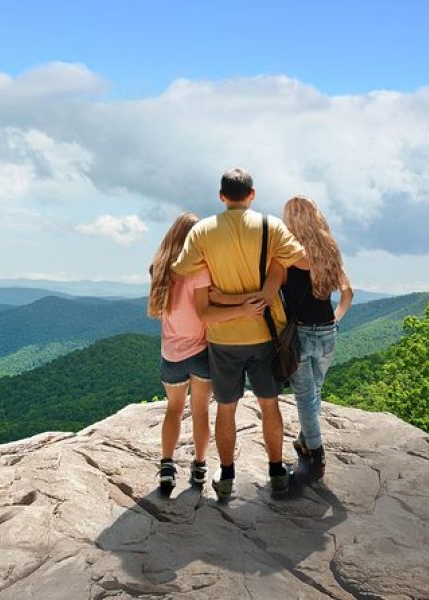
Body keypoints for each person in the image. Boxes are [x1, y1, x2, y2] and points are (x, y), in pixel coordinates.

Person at [171, 168, 307, 501]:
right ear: (252, 194)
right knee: (269, 404)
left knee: (227, 408)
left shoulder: (202, 231)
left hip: (223, 337)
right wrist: (273, 269)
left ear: (221, 196)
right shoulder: (270, 226)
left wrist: (217, 291)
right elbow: (301, 260)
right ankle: (276, 472)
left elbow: (181, 269)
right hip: (265, 334)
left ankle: (227, 476)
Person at [148, 212, 266, 493]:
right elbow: (210, 307)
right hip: (201, 351)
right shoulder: (198, 270)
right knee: (200, 412)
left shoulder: (158, 269)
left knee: (173, 410)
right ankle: (199, 466)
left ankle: (166, 466)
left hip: (171, 353)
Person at [281, 195, 354, 482]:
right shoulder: (330, 250)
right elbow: (348, 292)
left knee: (304, 397)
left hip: (299, 334)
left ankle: (316, 454)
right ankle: (304, 442)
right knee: (314, 395)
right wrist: (335, 319)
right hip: (327, 332)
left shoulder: (286, 254)